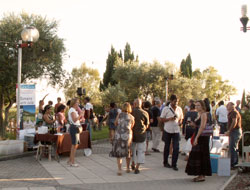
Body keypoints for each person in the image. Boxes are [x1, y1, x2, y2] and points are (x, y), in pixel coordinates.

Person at [185, 100, 212, 182]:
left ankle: (202, 175)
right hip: (200, 135)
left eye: (198, 105)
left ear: (202, 106)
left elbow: (202, 126)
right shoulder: (199, 114)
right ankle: (200, 174)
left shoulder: (204, 114)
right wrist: (192, 124)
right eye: (196, 105)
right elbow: (198, 125)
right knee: (199, 155)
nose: (197, 107)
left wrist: (196, 137)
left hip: (202, 137)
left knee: (200, 155)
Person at [110, 102, 135, 176]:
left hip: (119, 135)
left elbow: (115, 123)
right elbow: (132, 126)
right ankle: (127, 168)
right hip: (127, 135)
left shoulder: (119, 115)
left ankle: (119, 169)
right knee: (128, 151)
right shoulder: (131, 116)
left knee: (119, 152)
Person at [160, 94, 183, 171]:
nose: (176, 103)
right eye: (174, 101)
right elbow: (162, 119)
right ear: (171, 101)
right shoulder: (166, 109)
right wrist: (170, 119)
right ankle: (165, 162)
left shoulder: (179, 109)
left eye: (177, 101)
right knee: (167, 146)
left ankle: (174, 164)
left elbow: (181, 118)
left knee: (176, 147)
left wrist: (180, 122)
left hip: (176, 130)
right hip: (168, 130)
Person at [131, 98, 149, 174]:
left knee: (133, 150)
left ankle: (133, 162)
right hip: (141, 134)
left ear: (134, 104)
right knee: (141, 151)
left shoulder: (131, 112)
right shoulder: (145, 113)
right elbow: (147, 124)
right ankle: (137, 167)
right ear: (141, 104)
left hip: (132, 134)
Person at [225, 102, 242, 169]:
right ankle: (235, 163)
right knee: (234, 147)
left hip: (235, 131)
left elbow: (234, 121)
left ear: (232, 106)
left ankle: (233, 164)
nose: (226, 106)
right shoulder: (232, 112)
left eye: (228, 105)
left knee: (233, 147)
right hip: (235, 131)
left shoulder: (234, 113)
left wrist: (229, 130)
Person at [68, 98, 83, 167]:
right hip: (74, 128)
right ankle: (72, 162)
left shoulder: (73, 110)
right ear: (74, 103)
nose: (78, 104)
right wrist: (80, 115)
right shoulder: (72, 110)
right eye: (77, 102)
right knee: (74, 145)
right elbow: (74, 120)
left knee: (75, 145)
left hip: (75, 127)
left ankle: (70, 160)